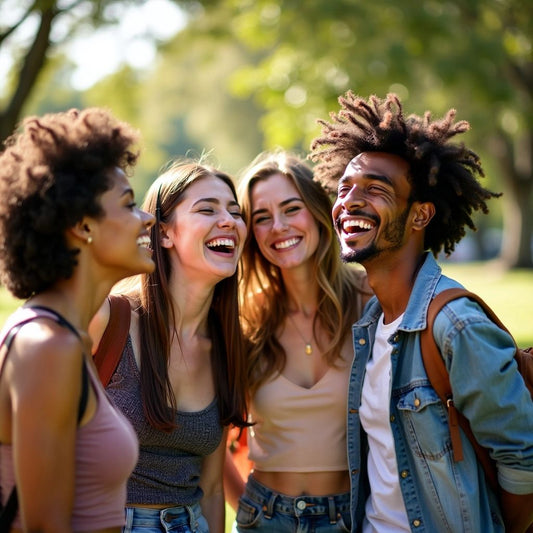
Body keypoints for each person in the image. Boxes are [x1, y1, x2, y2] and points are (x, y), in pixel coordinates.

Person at [309, 92, 533, 532]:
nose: (350, 201)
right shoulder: (370, 323)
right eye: (345, 188)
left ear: (421, 215)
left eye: (375, 189)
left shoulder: (455, 325)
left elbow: (522, 458)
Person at [0, 107, 155, 532]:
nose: (148, 218)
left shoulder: (68, 338)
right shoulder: (47, 346)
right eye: (129, 205)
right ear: (82, 225)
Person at [89, 159, 250, 533]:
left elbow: (210, 489)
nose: (228, 221)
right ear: (164, 233)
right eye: (207, 209)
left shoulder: (229, 344)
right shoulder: (108, 319)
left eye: (235, 212)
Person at [224, 150, 372, 532]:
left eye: (292, 209)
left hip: (351, 517)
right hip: (265, 516)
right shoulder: (245, 320)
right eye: (261, 217)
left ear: (319, 211)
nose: (278, 226)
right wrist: (248, 508)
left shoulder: (370, 304)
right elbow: (211, 440)